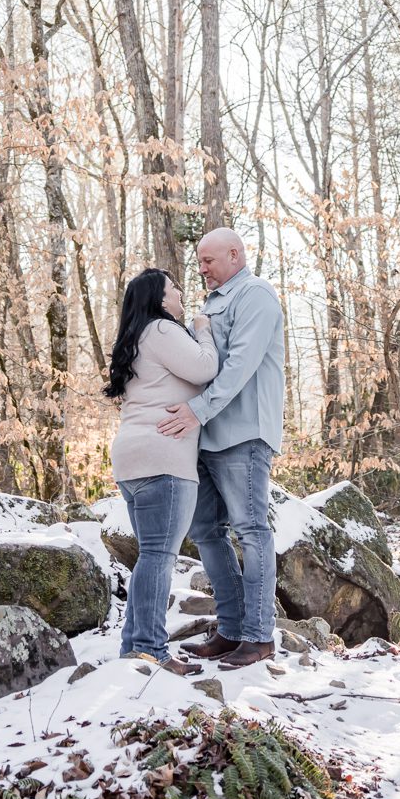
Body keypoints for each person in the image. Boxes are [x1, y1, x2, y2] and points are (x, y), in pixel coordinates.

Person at [156, 228, 286, 668]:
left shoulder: (256, 295)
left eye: (208, 261)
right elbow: (201, 364)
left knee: (251, 531)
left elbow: (239, 368)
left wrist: (197, 410)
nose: (202, 269)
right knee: (206, 533)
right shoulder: (212, 303)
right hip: (206, 436)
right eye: (200, 262)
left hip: (243, 434)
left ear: (235, 254)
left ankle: (259, 637)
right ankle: (231, 630)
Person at [105, 267, 218, 674]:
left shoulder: (135, 338)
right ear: (158, 297)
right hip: (164, 459)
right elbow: (206, 369)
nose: (181, 294)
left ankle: (133, 648)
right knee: (158, 556)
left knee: (149, 557)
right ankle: (152, 649)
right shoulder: (162, 330)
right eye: (174, 289)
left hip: (131, 461)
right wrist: (202, 329)